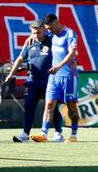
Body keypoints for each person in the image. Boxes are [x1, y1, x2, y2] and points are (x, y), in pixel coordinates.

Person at [4, 20, 63, 142]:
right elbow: (20, 59)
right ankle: (25, 134)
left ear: (45, 30)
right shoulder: (30, 43)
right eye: (34, 33)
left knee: (52, 108)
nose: (36, 35)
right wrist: (10, 74)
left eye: (39, 32)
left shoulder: (53, 40)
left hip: (49, 81)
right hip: (33, 81)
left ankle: (58, 133)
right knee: (29, 106)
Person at [31, 14, 80, 143]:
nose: (49, 31)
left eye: (51, 28)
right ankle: (44, 134)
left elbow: (72, 53)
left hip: (68, 76)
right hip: (54, 77)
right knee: (49, 105)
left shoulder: (69, 34)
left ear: (57, 22)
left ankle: (74, 134)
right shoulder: (52, 35)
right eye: (48, 29)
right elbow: (39, 35)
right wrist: (30, 38)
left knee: (71, 106)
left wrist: (58, 66)